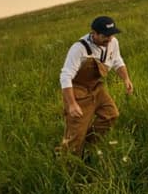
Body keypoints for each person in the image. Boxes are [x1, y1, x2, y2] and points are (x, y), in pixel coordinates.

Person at [57, 16, 134, 157]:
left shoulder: (112, 42)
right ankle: (67, 166)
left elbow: (117, 60)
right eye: (105, 36)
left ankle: (87, 146)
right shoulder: (79, 49)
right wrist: (72, 104)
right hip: (78, 92)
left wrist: (126, 79)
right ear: (94, 33)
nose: (109, 39)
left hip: (97, 88)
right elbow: (65, 76)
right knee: (75, 135)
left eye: (111, 35)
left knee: (111, 115)